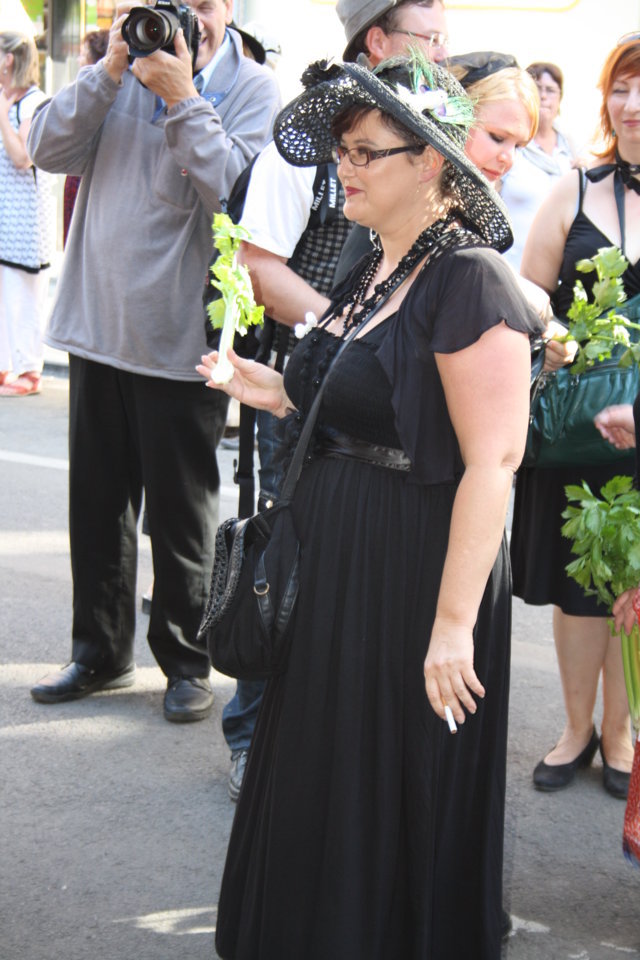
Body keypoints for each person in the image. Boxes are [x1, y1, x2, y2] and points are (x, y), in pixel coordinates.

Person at [198, 52, 541, 957]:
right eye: (341, 150)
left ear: (428, 163)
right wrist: (274, 390)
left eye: (364, 152)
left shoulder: (470, 279)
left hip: (413, 571)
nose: (342, 169)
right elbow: (367, 402)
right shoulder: (372, 264)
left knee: (390, 776)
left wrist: (453, 626)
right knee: (327, 765)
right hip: (339, 561)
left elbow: (495, 462)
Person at [221, 0, 451, 801]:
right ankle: (254, 737)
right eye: (427, 38)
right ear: (378, 40)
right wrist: (347, 342)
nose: (440, 53)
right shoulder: (306, 160)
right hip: (313, 381)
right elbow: (257, 264)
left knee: (341, 610)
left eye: (445, 40)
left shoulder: (432, 179)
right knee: (280, 569)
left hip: (368, 415)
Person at [27, 0, 280, 722]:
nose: (185, 18)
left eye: (202, 5)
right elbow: (46, 148)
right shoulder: (115, 67)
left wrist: (183, 97)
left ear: (228, 10)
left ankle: (186, 663)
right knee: (97, 509)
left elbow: (237, 193)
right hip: (97, 324)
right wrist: (109, 70)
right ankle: (99, 654)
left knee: (179, 518)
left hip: (181, 341)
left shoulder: (253, 87)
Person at [510, 35, 640, 799]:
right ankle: (575, 727)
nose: (632, 105)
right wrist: (553, 332)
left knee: (634, 587)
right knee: (577, 584)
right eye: (620, 88)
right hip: (575, 429)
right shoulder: (574, 189)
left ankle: (621, 733)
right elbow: (529, 291)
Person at [0, 32, 55, 397]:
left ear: (9, 59)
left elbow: (23, 157)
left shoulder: (34, 103)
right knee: (6, 296)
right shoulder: (9, 100)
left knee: (24, 297)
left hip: (26, 222)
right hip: (7, 219)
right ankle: (7, 365)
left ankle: (29, 370)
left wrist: (2, 116)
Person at [500, 61, 575, 271]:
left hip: (557, 276)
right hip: (511, 270)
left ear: (560, 97)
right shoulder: (512, 147)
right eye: (537, 89)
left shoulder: (571, 151)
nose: (543, 96)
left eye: (550, 90)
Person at [63, 29, 109, 246]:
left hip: (88, 181)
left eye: (83, 54)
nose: (79, 60)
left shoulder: (100, 96)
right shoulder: (83, 91)